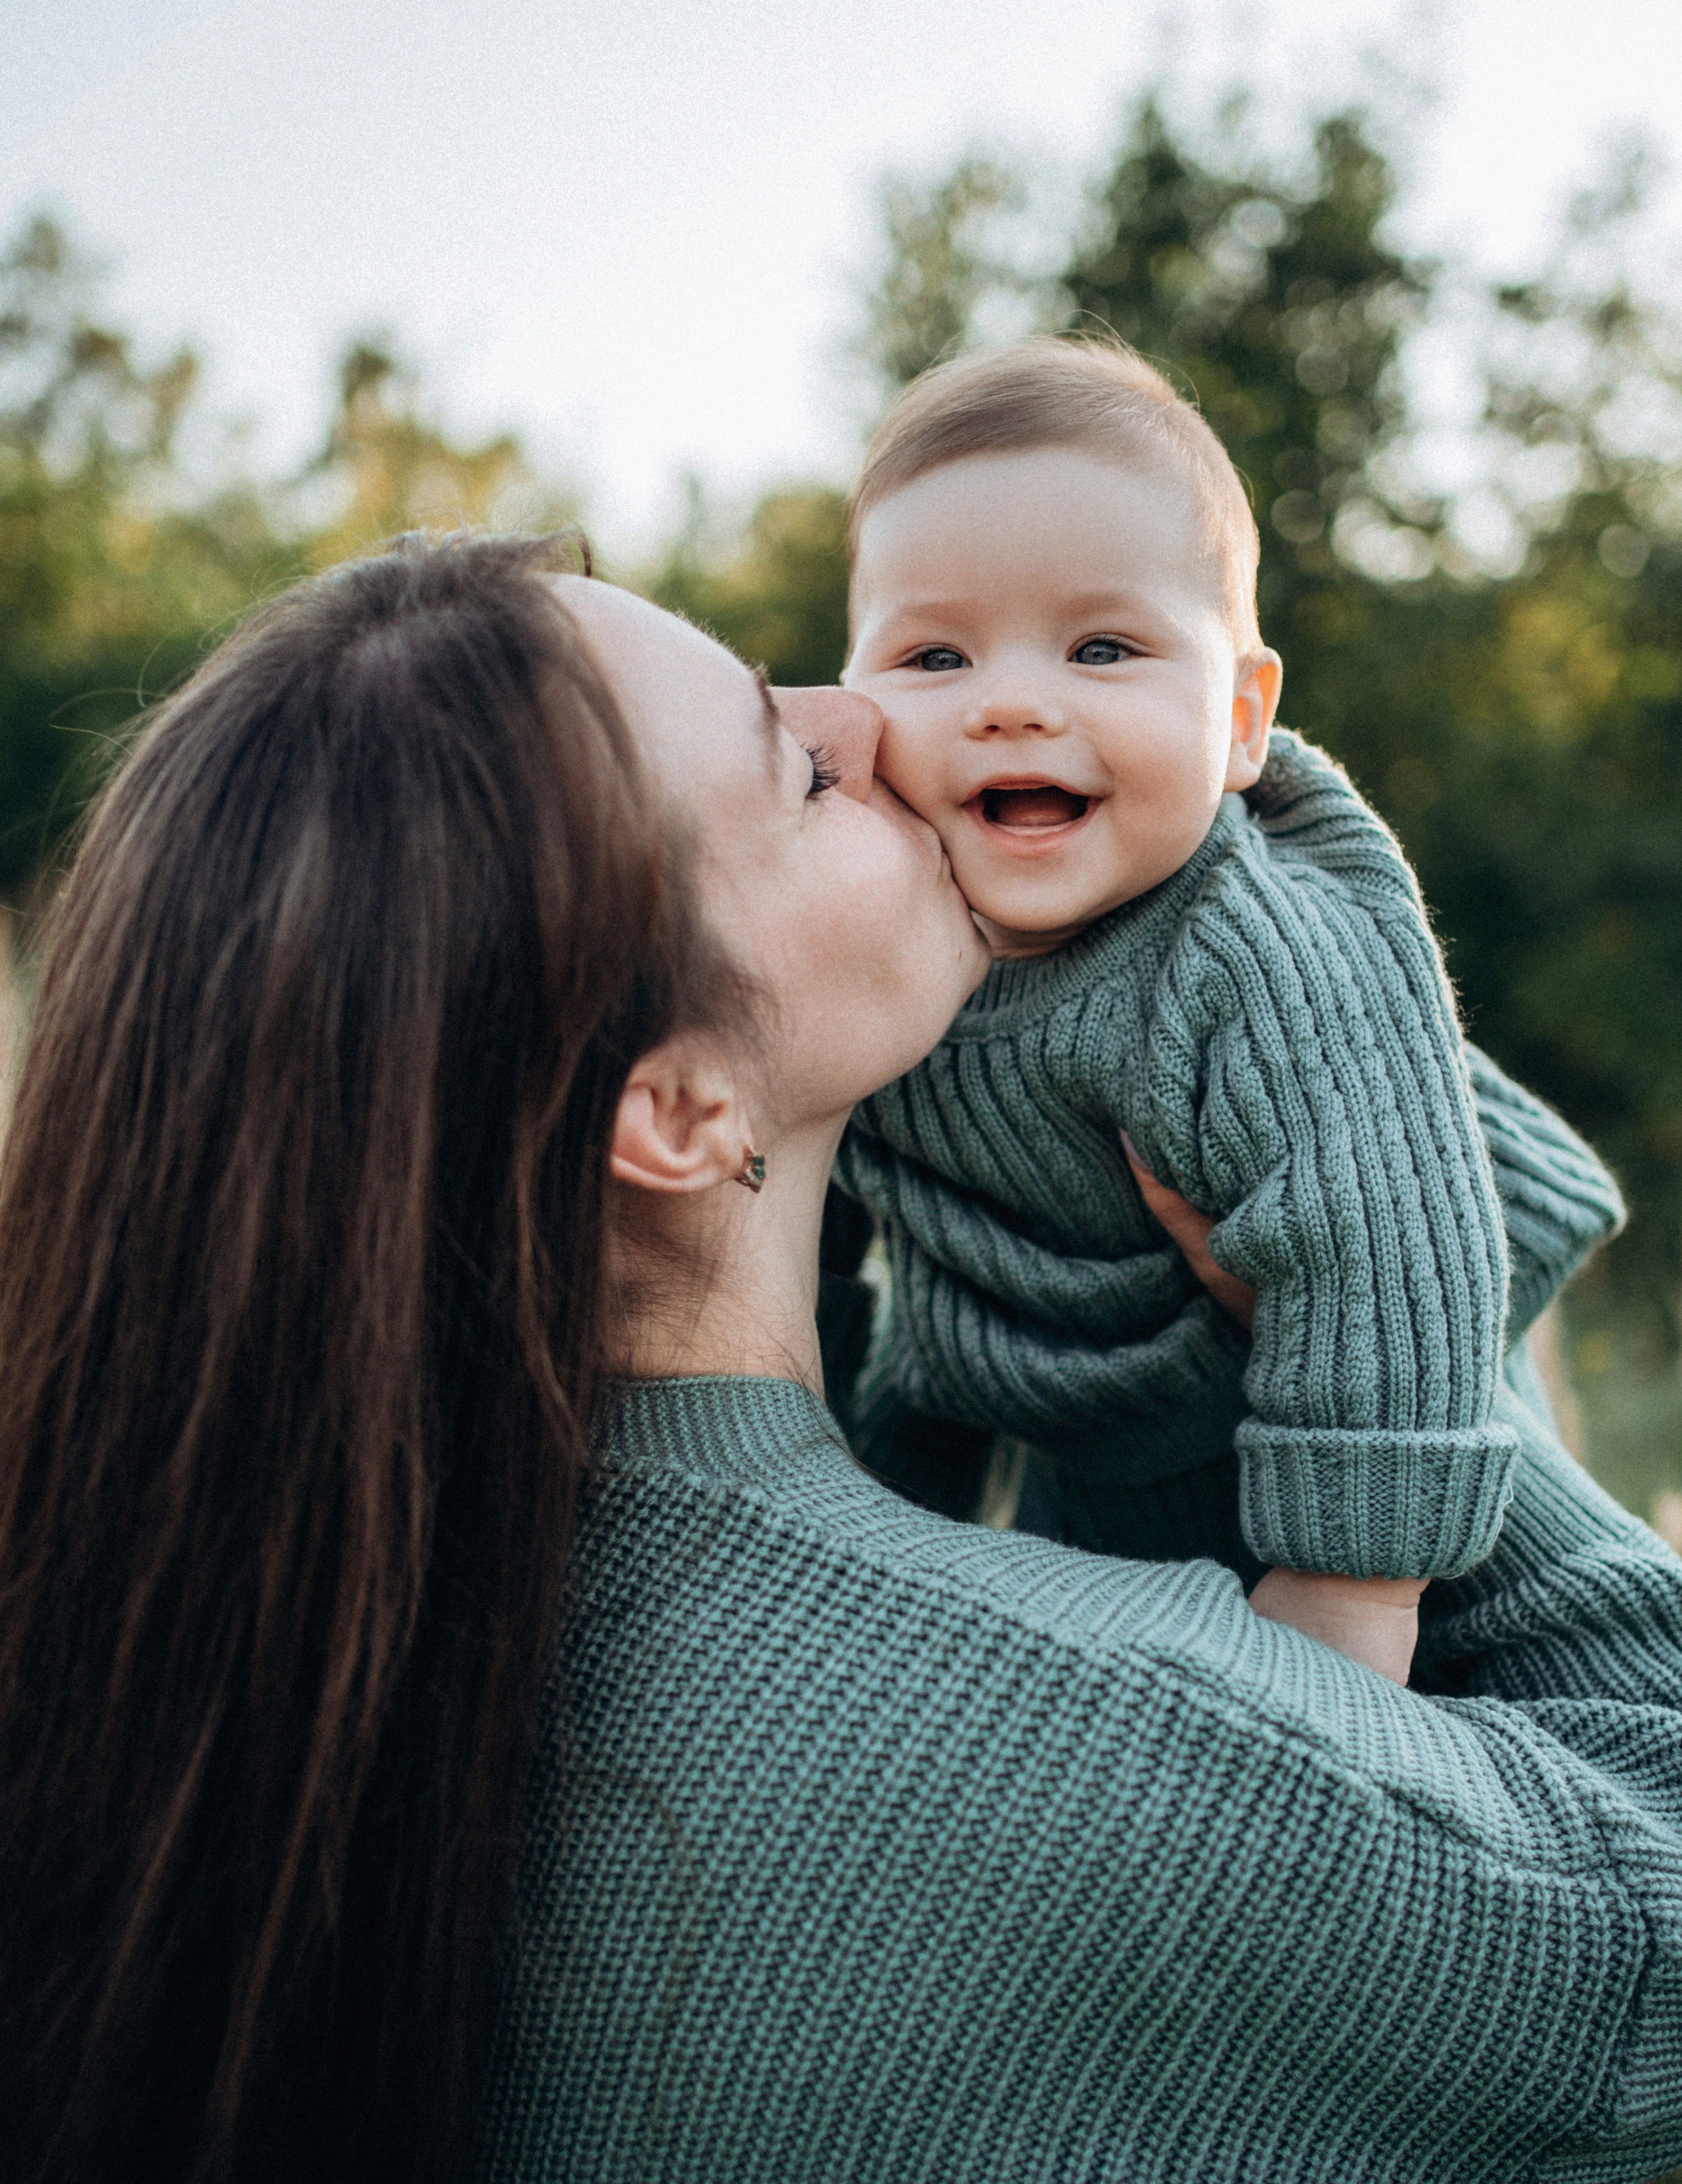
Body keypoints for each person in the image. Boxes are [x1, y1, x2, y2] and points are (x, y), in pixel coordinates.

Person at [1, 538, 1678, 2184]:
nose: (871, 720)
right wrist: (1382, 1301)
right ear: (669, 1108)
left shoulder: (203, 1682)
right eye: (793, 771)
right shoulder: (1108, 1744)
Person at [834, 336, 1624, 1681]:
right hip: (1091, 1481)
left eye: (1099, 646)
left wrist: (1346, 1598)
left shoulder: (1258, 945)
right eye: (932, 657)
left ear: (1242, 718)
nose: (1012, 703)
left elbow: (1378, 1250)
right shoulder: (872, 930)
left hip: (1394, 1462)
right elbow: (901, 1280)